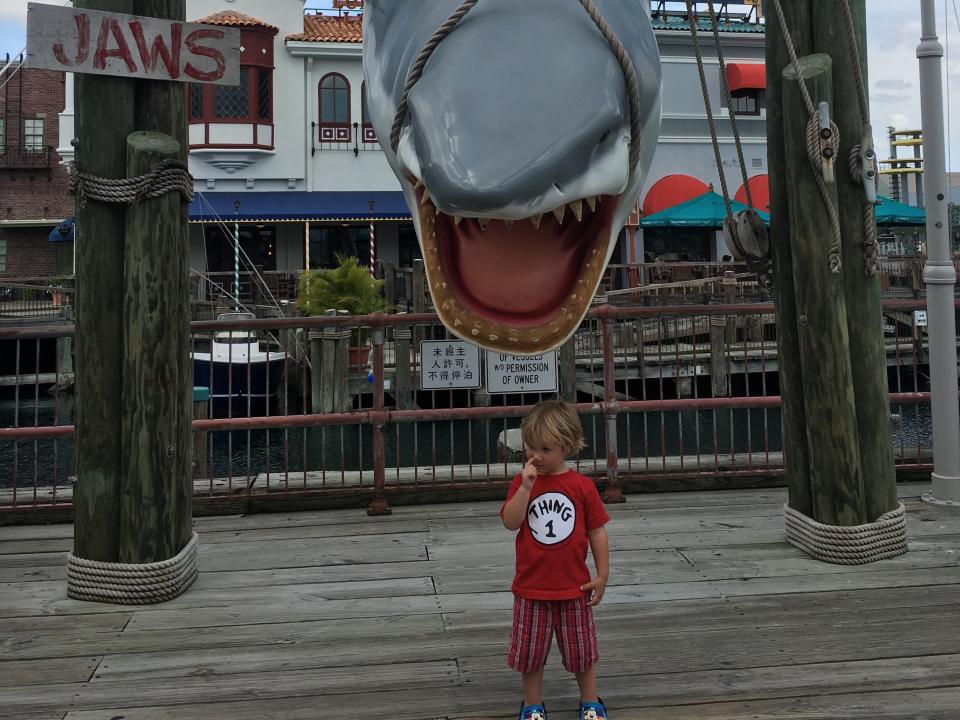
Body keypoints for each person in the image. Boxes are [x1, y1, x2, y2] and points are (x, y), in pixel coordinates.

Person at [500, 400, 611, 720]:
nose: (536, 456)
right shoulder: (522, 482)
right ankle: (533, 704)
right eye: (530, 447)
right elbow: (510, 522)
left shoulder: (582, 486)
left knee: (582, 652)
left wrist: (602, 575)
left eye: (545, 449)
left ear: (568, 446)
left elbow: (597, 532)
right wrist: (524, 488)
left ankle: (590, 701)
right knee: (530, 654)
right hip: (531, 589)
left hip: (574, 588)